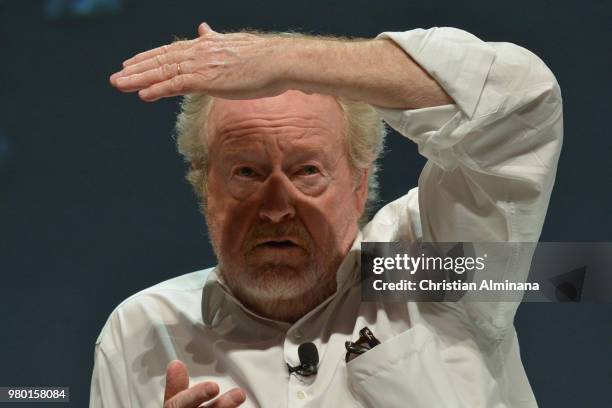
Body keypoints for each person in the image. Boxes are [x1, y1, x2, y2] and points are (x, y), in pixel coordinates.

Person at [90, 22, 563, 407]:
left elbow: (521, 105)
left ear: (360, 185)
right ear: (204, 186)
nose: (276, 210)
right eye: (248, 172)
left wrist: (283, 61)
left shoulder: (424, 269)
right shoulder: (144, 332)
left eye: (307, 170)